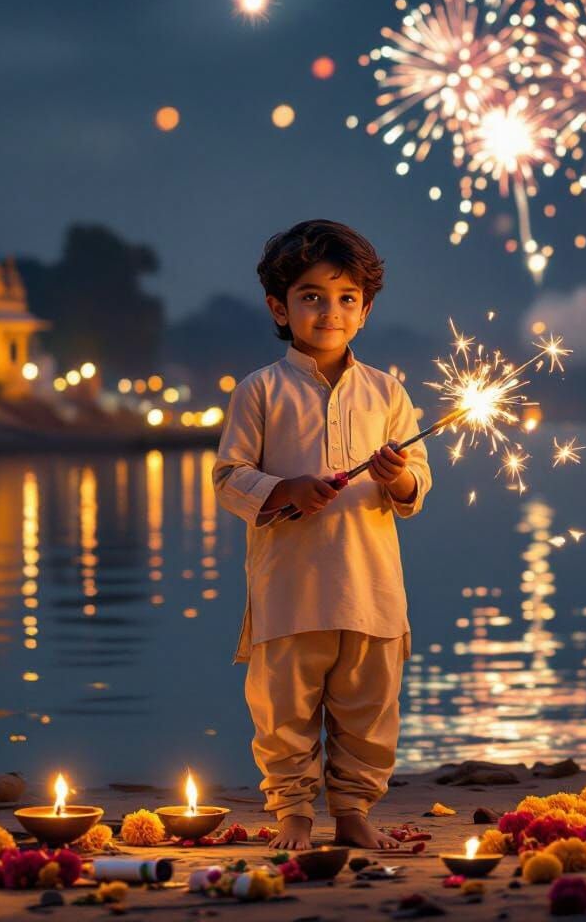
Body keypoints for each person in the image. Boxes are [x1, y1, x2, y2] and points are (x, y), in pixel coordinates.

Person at [213, 219, 432, 850]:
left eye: (345, 299)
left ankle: (356, 812)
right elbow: (229, 478)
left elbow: (418, 485)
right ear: (279, 307)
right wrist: (286, 490)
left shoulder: (388, 393)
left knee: (370, 712)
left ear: (364, 311)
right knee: (284, 714)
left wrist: (396, 481)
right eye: (311, 296)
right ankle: (294, 816)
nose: (329, 311)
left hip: (372, 592)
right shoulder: (260, 391)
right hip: (289, 593)